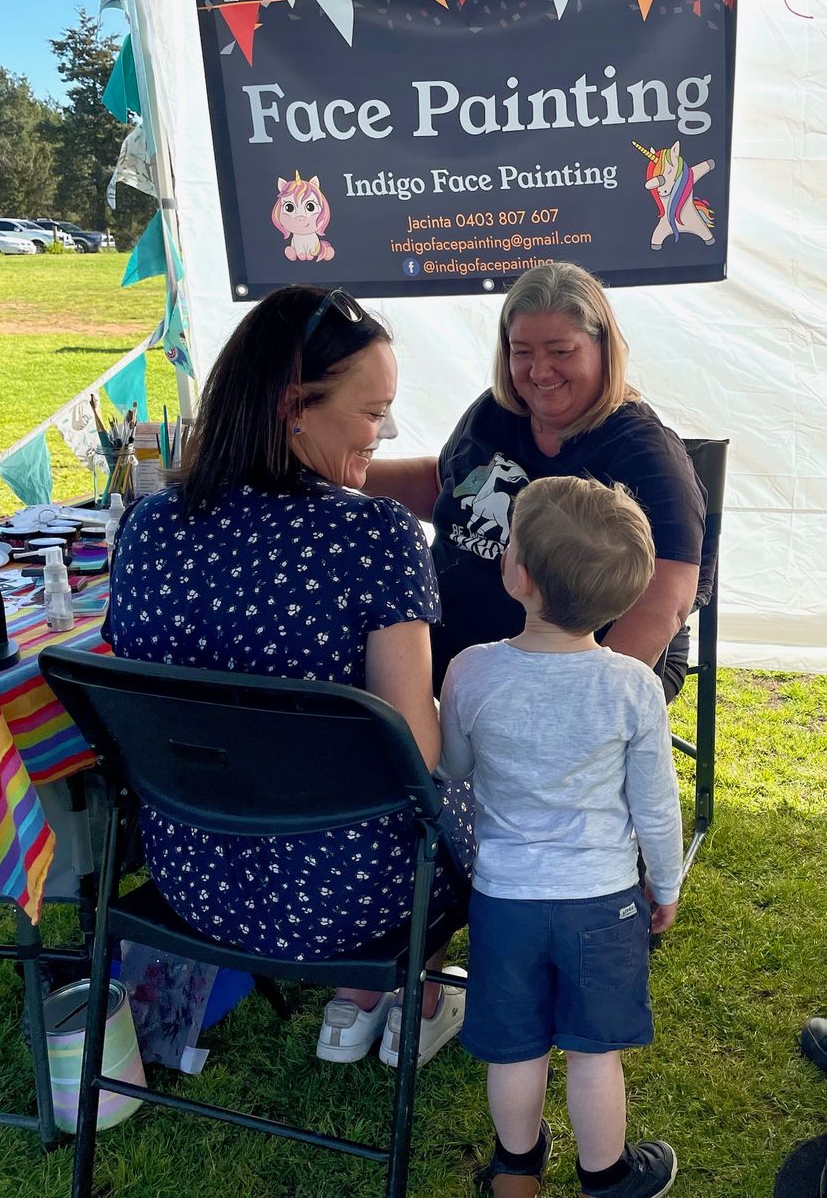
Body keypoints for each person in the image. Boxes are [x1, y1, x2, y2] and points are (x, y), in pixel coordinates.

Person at [102, 285, 472, 1067]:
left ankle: (369, 1000)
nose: (386, 432)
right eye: (373, 413)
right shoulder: (377, 535)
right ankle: (418, 994)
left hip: (192, 880)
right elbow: (417, 751)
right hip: (347, 904)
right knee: (482, 770)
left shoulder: (149, 523)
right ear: (291, 406)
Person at [437, 476, 684, 1198]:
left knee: (515, 1049)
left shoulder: (471, 671)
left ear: (519, 574)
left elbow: (453, 768)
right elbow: (657, 806)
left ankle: (515, 1170)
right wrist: (664, 884)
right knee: (593, 1051)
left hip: (504, 899)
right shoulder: (633, 686)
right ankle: (605, 1177)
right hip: (602, 903)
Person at [365, 261, 707, 700]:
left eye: (560, 351)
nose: (539, 372)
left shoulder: (644, 450)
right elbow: (446, 487)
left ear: (603, 348)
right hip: (454, 652)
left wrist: (582, 701)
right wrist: (345, 472)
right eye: (521, 351)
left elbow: (667, 598)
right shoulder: (494, 411)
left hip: (566, 668)